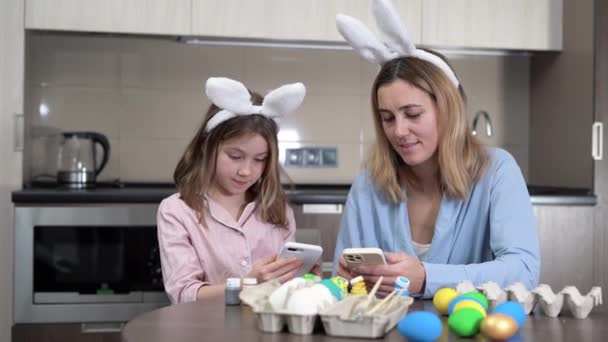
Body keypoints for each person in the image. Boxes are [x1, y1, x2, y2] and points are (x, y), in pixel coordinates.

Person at [332, 0, 540, 298]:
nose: (399, 131)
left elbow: (524, 270)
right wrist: (346, 280)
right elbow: (348, 283)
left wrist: (428, 277)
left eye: (413, 114)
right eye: (387, 118)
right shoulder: (370, 184)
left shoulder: (497, 171)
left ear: (448, 109)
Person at [157, 77, 309, 303]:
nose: (246, 171)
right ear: (207, 146)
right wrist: (248, 283)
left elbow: (285, 291)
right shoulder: (176, 211)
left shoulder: (278, 210)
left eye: (260, 159)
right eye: (235, 156)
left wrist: (303, 279)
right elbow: (184, 294)